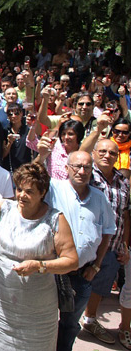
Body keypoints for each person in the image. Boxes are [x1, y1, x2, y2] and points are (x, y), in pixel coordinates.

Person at [0, 163, 78, 350]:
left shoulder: (55, 220)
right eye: (19, 189)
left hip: (36, 311)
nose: (21, 195)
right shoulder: (5, 208)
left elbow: (71, 261)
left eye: (29, 191)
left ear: (43, 192)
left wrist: (39, 266)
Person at [43, 151, 116, 351]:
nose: (81, 171)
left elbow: (108, 231)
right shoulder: (53, 189)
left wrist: (97, 266)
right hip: (51, 273)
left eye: (87, 167)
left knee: (70, 324)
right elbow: (29, 178)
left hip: (82, 275)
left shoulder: (99, 198)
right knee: (43, 320)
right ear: (66, 168)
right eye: (77, 166)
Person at [80, 139, 130, 344]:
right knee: (78, 287)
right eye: (102, 151)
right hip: (87, 245)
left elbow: (126, 215)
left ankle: (90, 320)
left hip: (113, 245)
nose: (107, 155)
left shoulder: (123, 181)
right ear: (93, 153)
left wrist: (124, 245)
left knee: (100, 288)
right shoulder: (86, 176)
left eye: (112, 153)